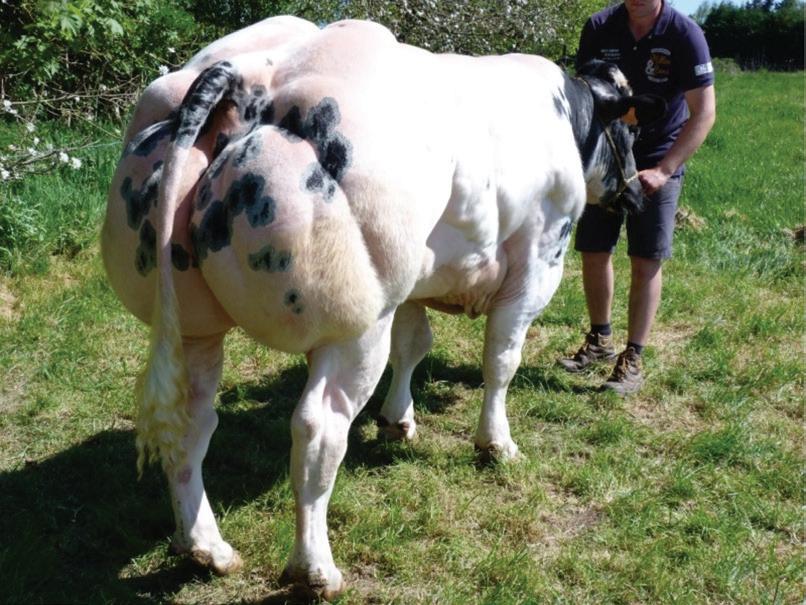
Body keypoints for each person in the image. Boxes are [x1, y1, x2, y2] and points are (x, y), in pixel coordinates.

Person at [558, 0, 716, 394]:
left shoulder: (684, 34)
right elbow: (584, 93)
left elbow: (704, 113)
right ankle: (600, 340)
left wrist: (664, 170)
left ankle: (633, 357)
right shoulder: (600, 26)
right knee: (594, 250)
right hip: (607, 155)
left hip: (656, 159)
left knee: (646, 258)